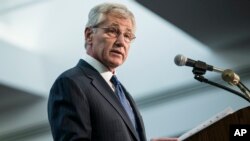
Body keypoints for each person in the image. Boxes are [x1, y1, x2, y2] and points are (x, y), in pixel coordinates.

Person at [48, 2, 178, 141]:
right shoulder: (70, 83)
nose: (121, 42)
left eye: (128, 35)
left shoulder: (120, 90)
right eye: (112, 31)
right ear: (89, 35)